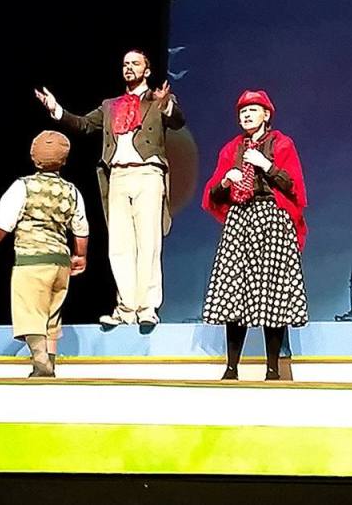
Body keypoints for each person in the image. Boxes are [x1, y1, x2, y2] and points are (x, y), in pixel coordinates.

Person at [34, 49, 185, 328]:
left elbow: (178, 121)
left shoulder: (158, 98)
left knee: (148, 242)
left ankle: (147, 307)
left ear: (147, 70)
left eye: (135, 63)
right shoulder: (110, 105)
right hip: (116, 176)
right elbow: (83, 125)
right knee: (120, 245)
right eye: (125, 64)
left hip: (148, 173)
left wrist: (165, 105)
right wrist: (56, 109)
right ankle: (126, 308)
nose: (129, 68)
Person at [201, 90, 308, 381]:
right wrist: (226, 180)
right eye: (242, 111)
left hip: (271, 218)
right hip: (240, 220)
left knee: (272, 295)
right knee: (236, 292)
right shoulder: (231, 149)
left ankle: (273, 368)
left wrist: (265, 165)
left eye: (253, 110)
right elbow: (213, 191)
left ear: (266, 114)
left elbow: (293, 185)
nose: (246, 115)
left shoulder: (282, 144)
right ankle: (231, 367)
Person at [0, 131, 89, 377]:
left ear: (33, 158)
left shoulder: (23, 186)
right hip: (60, 263)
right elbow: (81, 228)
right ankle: (49, 364)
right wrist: (80, 256)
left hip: (31, 261)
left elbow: (3, 224)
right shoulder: (72, 191)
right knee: (51, 315)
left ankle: (40, 362)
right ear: (64, 160)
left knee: (30, 311)